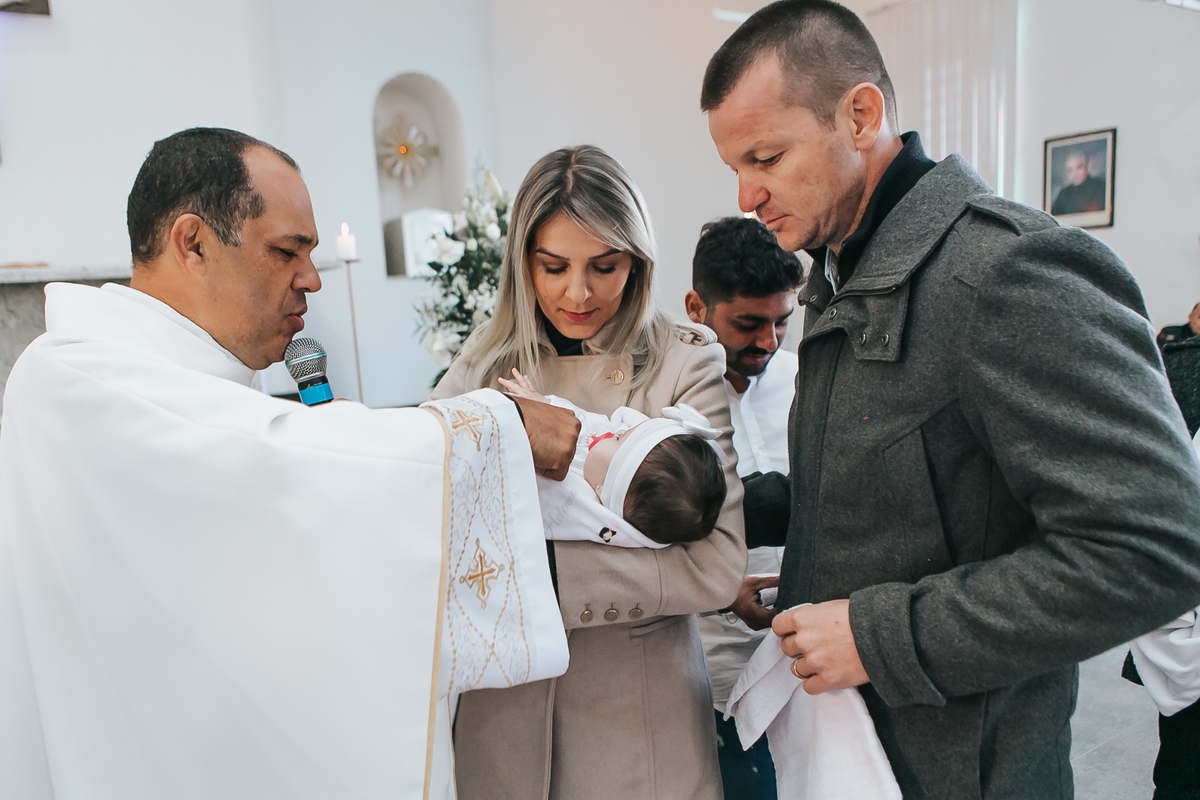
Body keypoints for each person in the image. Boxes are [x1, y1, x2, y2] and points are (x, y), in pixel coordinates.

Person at [701, 2, 1200, 798]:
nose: (747, 194)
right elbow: (896, 487)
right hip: (846, 755)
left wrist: (878, 635)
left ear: (860, 115)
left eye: (766, 156)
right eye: (734, 165)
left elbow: (1156, 550)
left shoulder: (1006, 272)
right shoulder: (839, 277)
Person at [0, 127, 582, 800]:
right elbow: (272, 457)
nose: (312, 278)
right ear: (193, 243)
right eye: (286, 251)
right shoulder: (72, 374)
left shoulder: (186, 383)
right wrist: (500, 428)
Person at [431, 144, 746, 800]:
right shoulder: (483, 361)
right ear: (523, 262)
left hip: (638, 724)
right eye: (554, 267)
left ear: (638, 261)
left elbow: (715, 566)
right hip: (502, 721)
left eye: (605, 266)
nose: (578, 293)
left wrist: (541, 575)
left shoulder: (685, 363)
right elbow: (425, 501)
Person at [683, 216, 802, 800]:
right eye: (749, 323)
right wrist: (721, 590)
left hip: (810, 654)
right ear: (696, 309)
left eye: (782, 321)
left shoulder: (806, 378)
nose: (769, 341)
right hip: (717, 667)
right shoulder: (666, 399)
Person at [498, 368, 728, 548]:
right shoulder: (602, 460)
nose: (616, 431)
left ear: (603, 488)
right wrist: (545, 407)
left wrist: (523, 422)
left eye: (618, 439)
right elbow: (584, 423)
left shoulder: (575, 500)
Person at [1050, 151, 1107, 216]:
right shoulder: (1064, 193)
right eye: (1070, 170)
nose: (1075, 174)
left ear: (1087, 166)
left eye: (1079, 168)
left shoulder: (1100, 187)